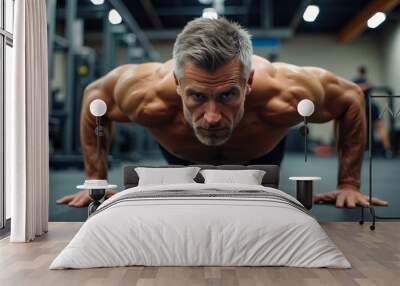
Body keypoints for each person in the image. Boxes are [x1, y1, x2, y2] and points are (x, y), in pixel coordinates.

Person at [57, 17, 388, 209]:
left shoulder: (286, 92)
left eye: (228, 94)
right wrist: (95, 180)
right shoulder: (144, 94)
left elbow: (351, 98)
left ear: (249, 82)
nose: (212, 116)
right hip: (181, 160)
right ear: (176, 82)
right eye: (197, 97)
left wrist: (349, 183)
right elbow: (93, 97)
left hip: (262, 155)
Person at [353, 66, 393, 158]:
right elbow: (358, 89)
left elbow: (364, 88)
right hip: (362, 107)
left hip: (369, 106)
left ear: (359, 72)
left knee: (380, 127)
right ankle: (364, 150)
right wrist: (367, 86)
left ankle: (388, 150)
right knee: (362, 129)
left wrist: (367, 85)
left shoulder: (366, 82)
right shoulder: (358, 82)